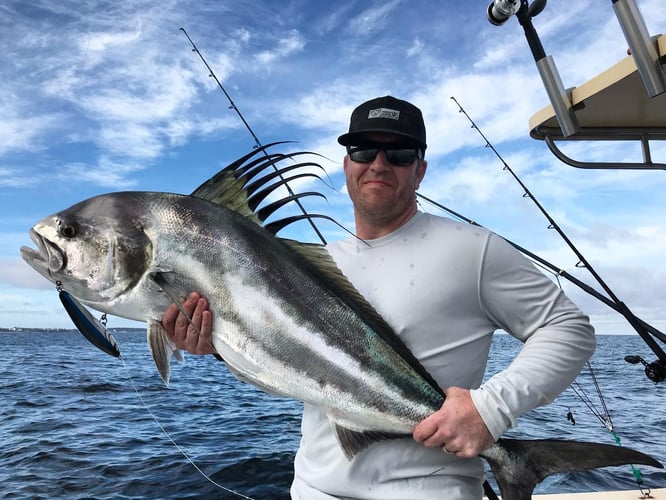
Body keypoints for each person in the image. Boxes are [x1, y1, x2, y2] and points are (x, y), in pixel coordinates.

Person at [161, 96, 596, 499]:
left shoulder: (475, 250)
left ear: (420, 169)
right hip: (313, 490)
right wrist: (216, 343)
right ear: (347, 164)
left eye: (400, 154)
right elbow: (301, 366)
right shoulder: (315, 263)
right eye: (365, 151)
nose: (379, 165)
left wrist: (490, 408)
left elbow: (569, 328)